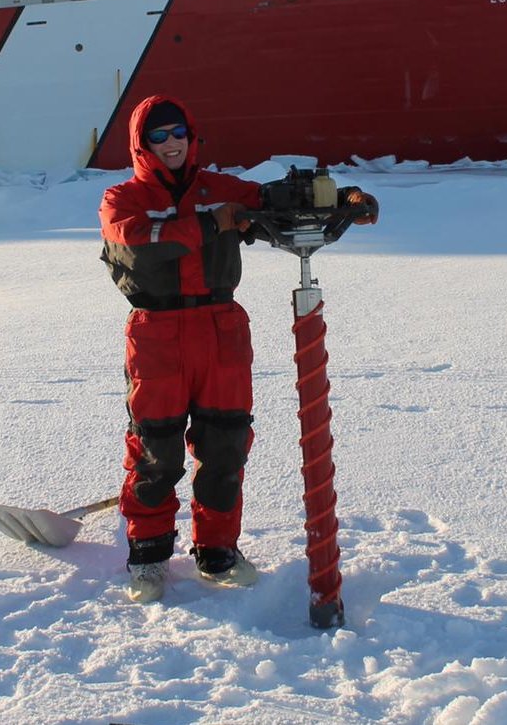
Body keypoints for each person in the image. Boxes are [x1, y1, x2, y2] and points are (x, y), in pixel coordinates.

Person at [99, 95, 378, 604]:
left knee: (225, 444)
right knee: (156, 449)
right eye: (158, 136)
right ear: (141, 144)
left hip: (220, 327)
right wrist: (213, 224)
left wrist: (344, 198)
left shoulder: (218, 189)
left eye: (178, 132)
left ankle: (217, 552)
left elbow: (276, 201)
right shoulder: (123, 198)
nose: (171, 143)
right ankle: (148, 556)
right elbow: (137, 244)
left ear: (191, 136)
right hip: (157, 332)